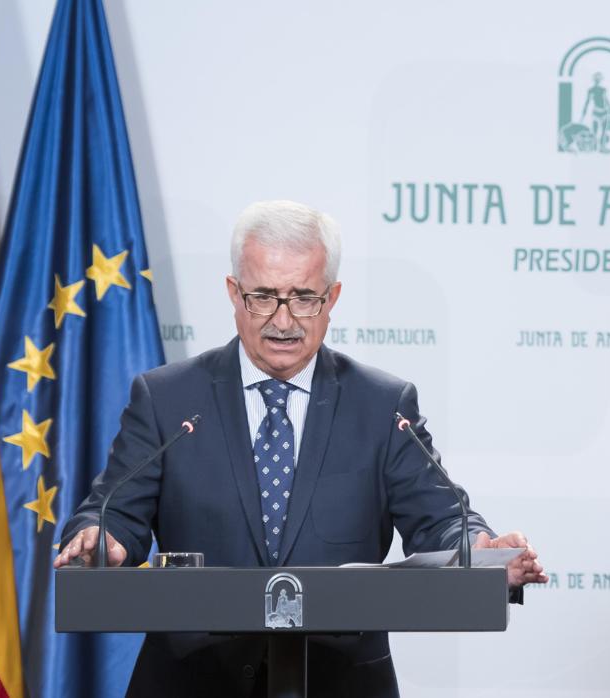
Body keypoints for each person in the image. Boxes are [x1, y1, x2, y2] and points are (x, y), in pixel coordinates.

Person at [54, 200, 546, 697]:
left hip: (340, 682)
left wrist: (478, 552)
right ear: (233, 292)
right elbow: (112, 511)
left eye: (303, 297)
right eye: (263, 296)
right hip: (193, 681)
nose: (283, 320)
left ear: (331, 298)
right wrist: (100, 536)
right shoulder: (167, 399)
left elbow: (439, 519)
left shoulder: (383, 405)